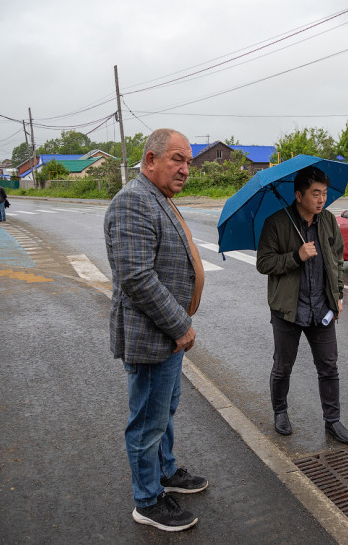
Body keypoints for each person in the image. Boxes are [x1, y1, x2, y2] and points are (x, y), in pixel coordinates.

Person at [104, 128, 208, 532]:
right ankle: (147, 500)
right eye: (177, 159)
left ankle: (165, 472)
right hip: (153, 337)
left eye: (189, 162)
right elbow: (136, 277)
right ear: (150, 160)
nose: (186, 169)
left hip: (167, 338)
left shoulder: (157, 197)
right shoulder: (133, 201)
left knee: (164, 410)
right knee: (147, 421)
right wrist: (181, 325)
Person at [256, 166, 348, 444]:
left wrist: (339, 295)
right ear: (299, 195)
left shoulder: (328, 221)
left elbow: (337, 260)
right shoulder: (276, 223)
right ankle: (281, 412)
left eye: (323, 193)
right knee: (283, 366)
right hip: (288, 310)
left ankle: (332, 420)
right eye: (315, 193)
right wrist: (296, 256)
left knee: (329, 367)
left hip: (321, 308)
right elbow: (264, 263)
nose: (321, 199)